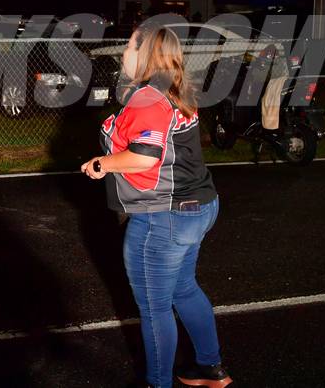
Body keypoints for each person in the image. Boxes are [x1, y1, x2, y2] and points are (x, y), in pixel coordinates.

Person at [80, 24, 233, 388]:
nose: (124, 52)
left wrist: (102, 164)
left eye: (129, 46)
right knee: (184, 289)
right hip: (199, 204)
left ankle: (157, 383)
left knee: (154, 307)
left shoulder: (148, 97)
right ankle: (209, 368)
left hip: (166, 215)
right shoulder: (177, 88)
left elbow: (145, 157)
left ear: (145, 54)